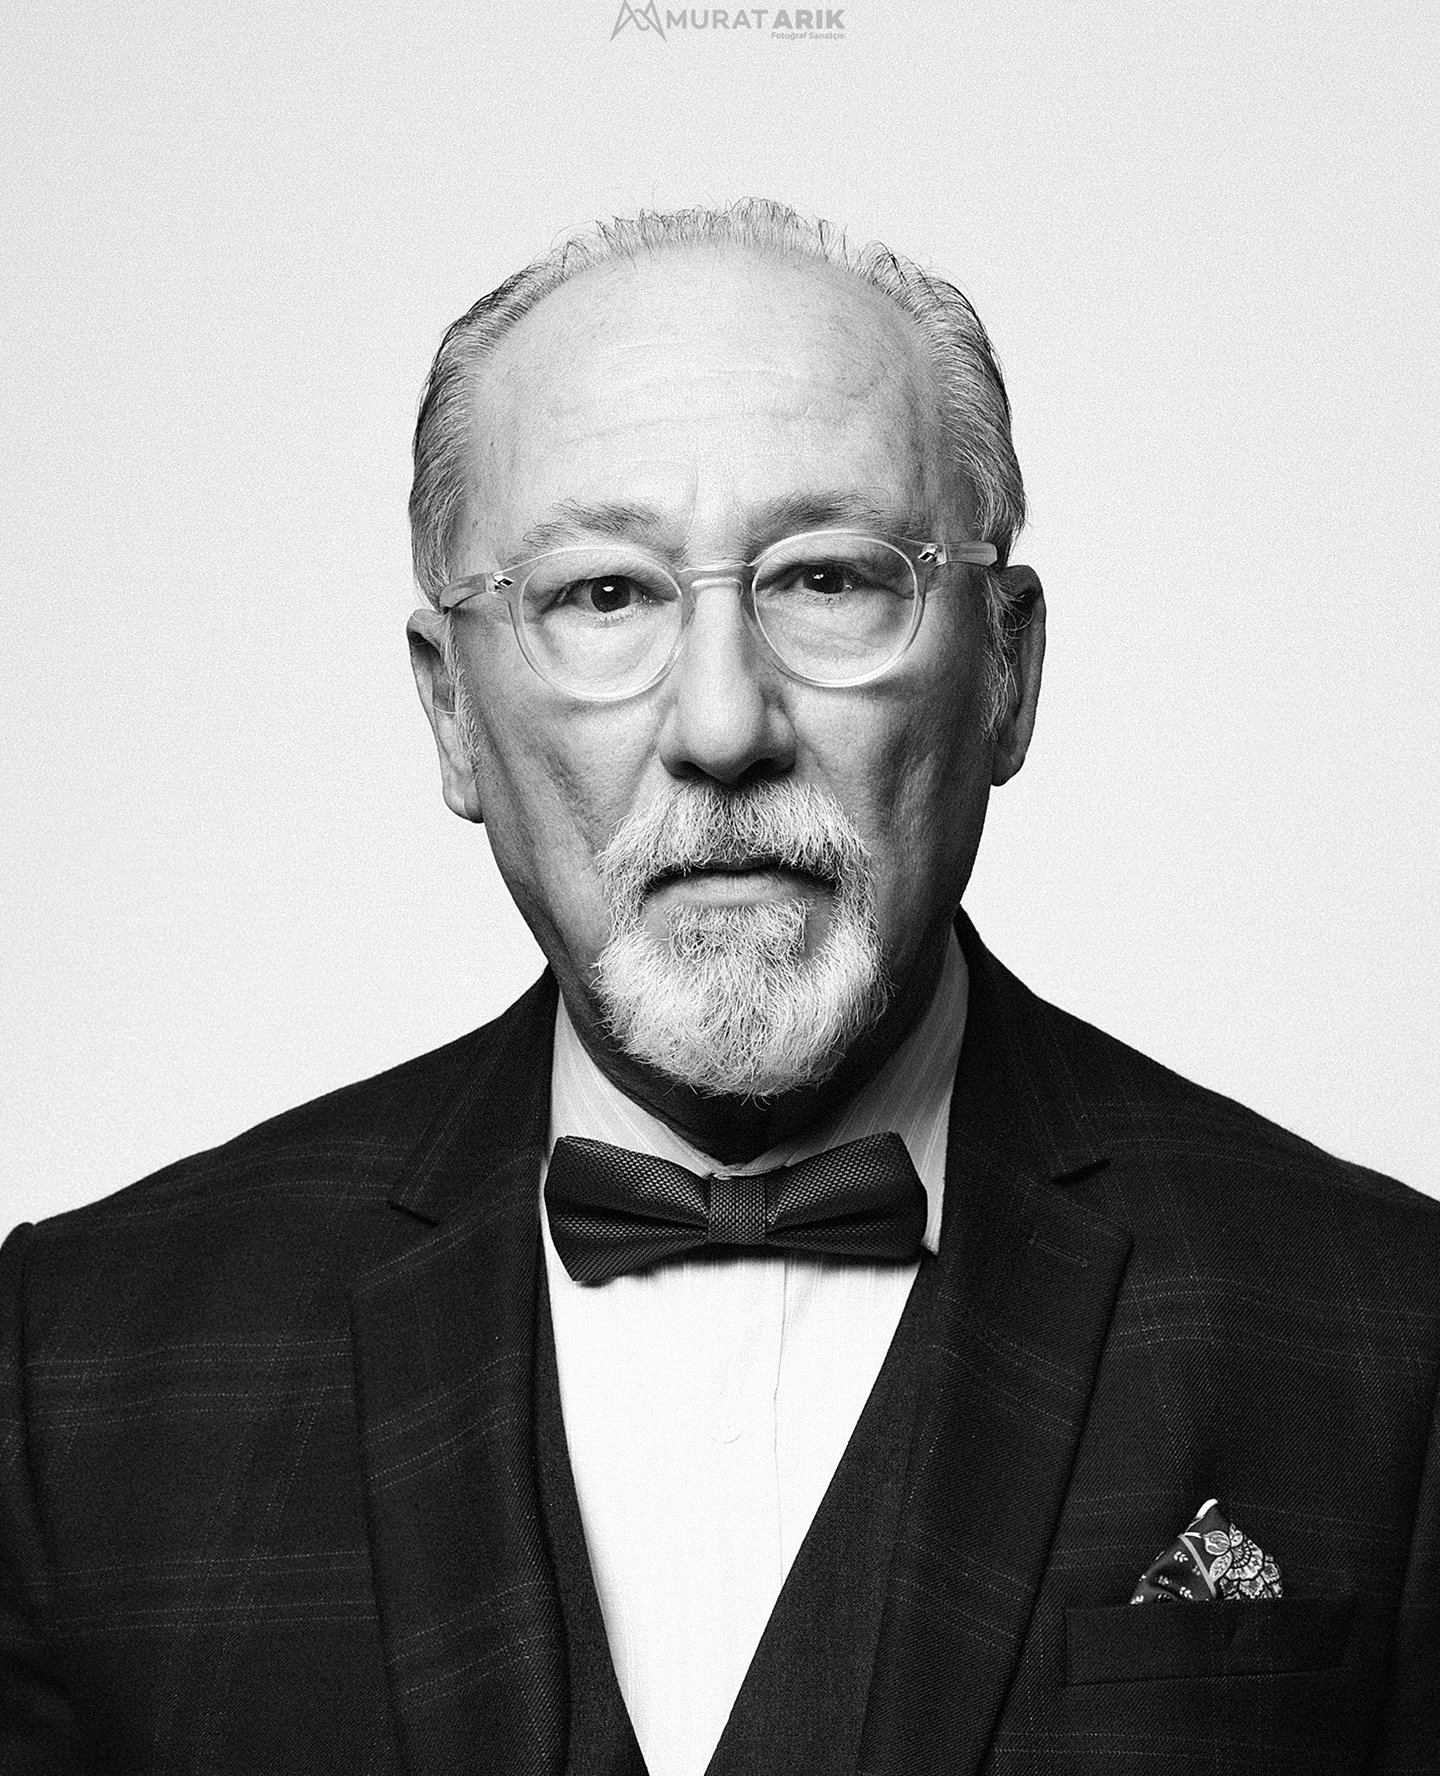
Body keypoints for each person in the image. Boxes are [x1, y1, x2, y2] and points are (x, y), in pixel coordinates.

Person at [2, 200, 1436, 1776]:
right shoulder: (75, 1374)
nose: (722, 724)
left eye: (827, 580)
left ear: (1007, 671)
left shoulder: (1391, 1340)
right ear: (453, 714)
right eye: (602, 596)